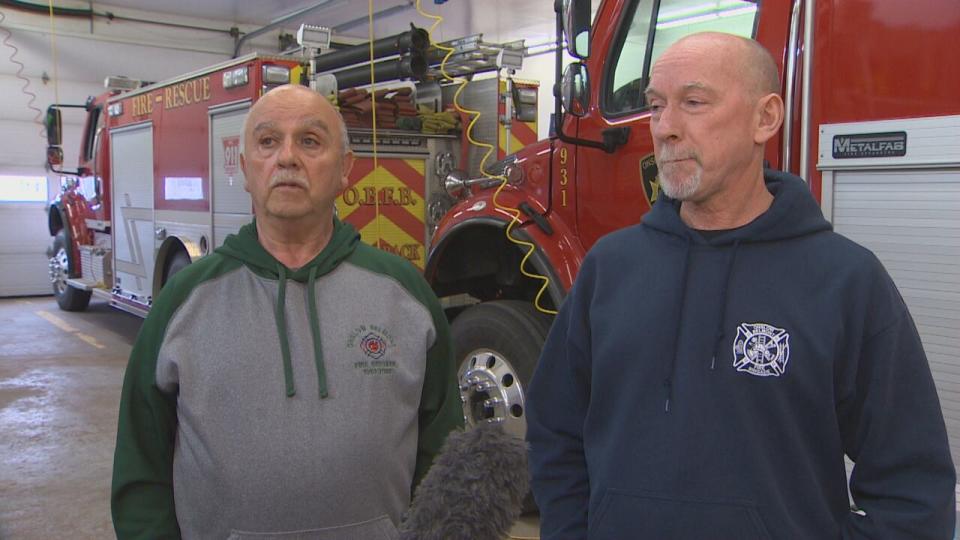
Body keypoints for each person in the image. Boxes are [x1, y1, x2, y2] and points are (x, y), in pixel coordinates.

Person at [525, 32, 956, 539]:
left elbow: (913, 486)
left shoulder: (846, 283)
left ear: (765, 118)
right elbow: (555, 429)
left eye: (693, 102)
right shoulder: (609, 270)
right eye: (657, 106)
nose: (665, 128)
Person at [111, 84, 463, 539]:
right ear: (245, 169)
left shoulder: (406, 296)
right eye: (268, 141)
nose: (288, 158)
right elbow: (141, 470)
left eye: (311, 141)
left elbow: (445, 455)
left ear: (345, 170)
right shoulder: (184, 302)